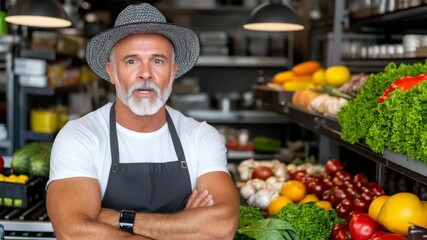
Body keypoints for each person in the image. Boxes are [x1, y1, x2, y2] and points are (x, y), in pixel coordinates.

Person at [46, 3, 240, 239]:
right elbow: (73, 232)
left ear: (173, 70)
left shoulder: (201, 137)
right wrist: (185, 229)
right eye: (131, 61)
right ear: (111, 71)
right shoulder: (80, 136)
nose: (146, 73)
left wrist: (115, 218)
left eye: (158, 61)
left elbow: (222, 226)